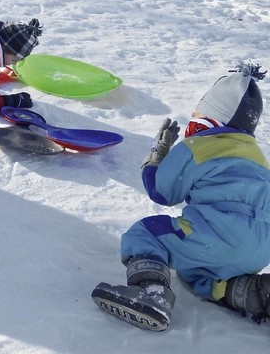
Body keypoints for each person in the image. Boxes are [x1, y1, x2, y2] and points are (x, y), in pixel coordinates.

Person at [92, 63, 270, 331]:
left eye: (197, 114)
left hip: (219, 236)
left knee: (147, 233)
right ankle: (255, 293)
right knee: (194, 272)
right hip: (261, 250)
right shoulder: (260, 160)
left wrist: (157, 157)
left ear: (210, 119)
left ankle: (151, 293)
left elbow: (162, 193)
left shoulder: (198, 146)